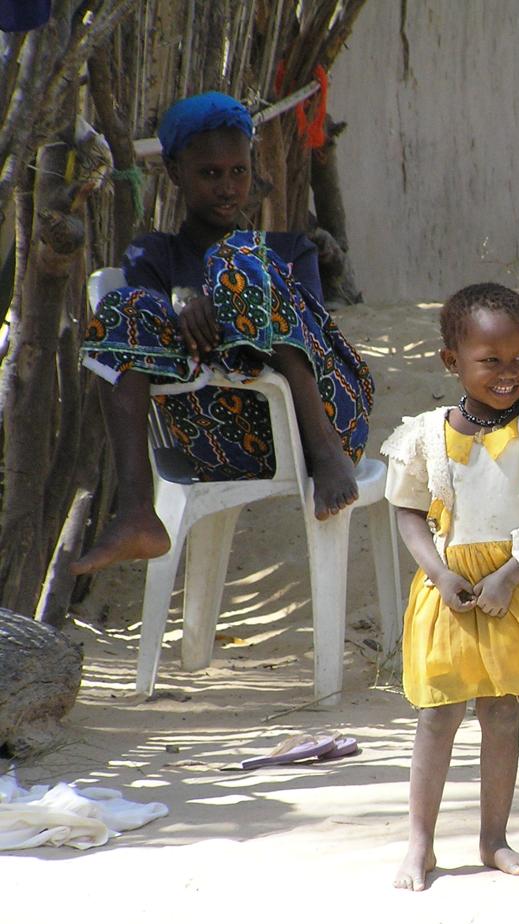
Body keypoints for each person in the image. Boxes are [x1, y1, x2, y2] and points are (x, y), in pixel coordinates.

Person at [73, 91, 373, 575]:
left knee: (239, 259)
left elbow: (315, 336)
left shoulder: (291, 248)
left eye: (239, 172)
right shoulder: (155, 257)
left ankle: (325, 451)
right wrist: (184, 307)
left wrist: (222, 296)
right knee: (124, 305)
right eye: (210, 173)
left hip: (322, 418)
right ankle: (136, 509)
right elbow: (145, 334)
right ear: (176, 173)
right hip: (219, 438)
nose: (228, 187)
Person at [380, 282, 519, 890]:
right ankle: (420, 843)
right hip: (448, 588)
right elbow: (408, 512)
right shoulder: (424, 436)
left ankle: (494, 838)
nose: (509, 373)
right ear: (451, 361)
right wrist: (438, 572)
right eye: (490, 361)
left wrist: (511, 575)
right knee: (438, 714)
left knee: (502, 711)